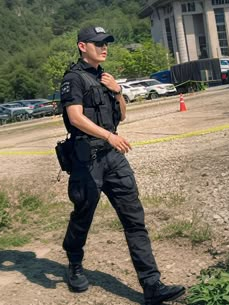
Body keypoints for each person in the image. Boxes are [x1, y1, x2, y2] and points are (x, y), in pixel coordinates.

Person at [60, 26, 185, 305]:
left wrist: (117, 92)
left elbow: (123, 116)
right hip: (87, 160)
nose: (104, 48)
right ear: (82, 46)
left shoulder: (105, 77)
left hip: (114, 158)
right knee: (83, 216)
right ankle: (75, 264)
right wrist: (108, 136)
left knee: (134, 220)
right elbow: (76, 117)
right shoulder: (73, 79)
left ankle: (152, 285)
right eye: (97, 43)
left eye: (106, 43)